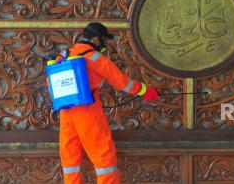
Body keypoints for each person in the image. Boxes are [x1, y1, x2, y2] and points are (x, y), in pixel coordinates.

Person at [57, 22, 159, 184]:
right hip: (88, 113)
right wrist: (144, 90)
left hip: (66, 112)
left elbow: (51, 84)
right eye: (104, 40)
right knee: (104, 158)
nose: (105, 44)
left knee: (70, 159)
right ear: (96, 39)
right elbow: (122, 82)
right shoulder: (94, 57)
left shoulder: (63, 55)